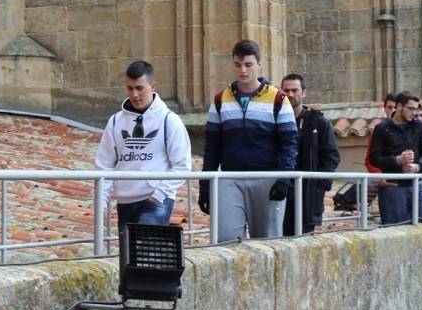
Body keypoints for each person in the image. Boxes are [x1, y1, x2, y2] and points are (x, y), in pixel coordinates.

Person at [201, 40, 299, 241]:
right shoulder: (220, 100)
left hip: (267, 178)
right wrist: (205, 185)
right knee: (225, 242)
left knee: (267, 244)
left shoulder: (278, 99)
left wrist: (284, 179)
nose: (242, 71)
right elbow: (212, 148)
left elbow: (289, 144)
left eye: (248, 65)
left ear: (259, 64)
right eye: (238, 65)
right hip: (230, 178)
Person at [96, 60, 191, 234]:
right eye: (130, 88)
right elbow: (104, 164)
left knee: (144, 252)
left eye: (140, 88)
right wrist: (101, 201)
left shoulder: (169, 120)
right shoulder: (116, 121)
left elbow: (182, 165)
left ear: (153, 86)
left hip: (154, 201)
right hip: (125, 201)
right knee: (129, 257)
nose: (135, 94)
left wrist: (159, 195)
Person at [279, 74, 340, 235]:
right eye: (286, 90)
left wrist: (320, 185)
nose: (290, 94)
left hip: (307, 192)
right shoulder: (273, 120)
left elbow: (331, 156)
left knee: (302, 239)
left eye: (294, 90)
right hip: (279, 189)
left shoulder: (318, 122)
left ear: (303, 92)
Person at [367, 92, 422, 225]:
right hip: (393, 186)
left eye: (416, 109)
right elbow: (374, 158)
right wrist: (396, 160)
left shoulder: (419, 126)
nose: (414, 113)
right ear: (399, 107)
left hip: (418, 183)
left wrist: (418, 166)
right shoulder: (382, 128)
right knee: (396, 229)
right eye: (411, 108)